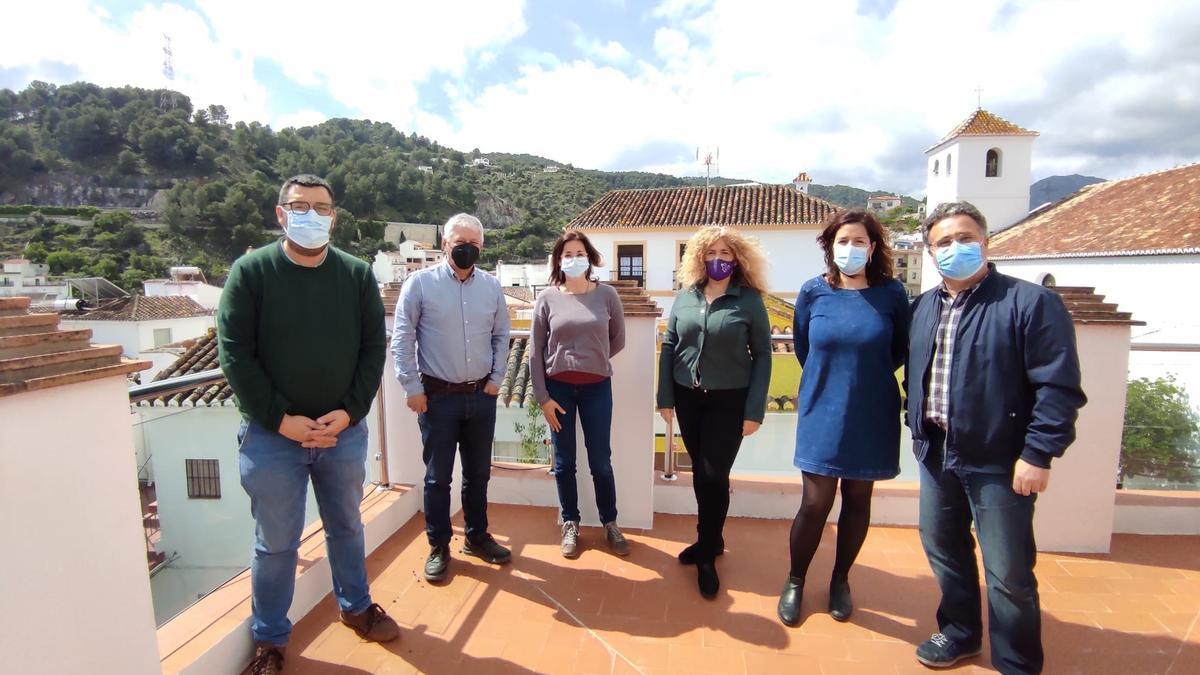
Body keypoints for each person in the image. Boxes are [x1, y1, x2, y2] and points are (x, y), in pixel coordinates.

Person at [218, 174, 399, 675]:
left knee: (346, 526)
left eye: (322, 208)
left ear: (334, 216)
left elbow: (372, 349)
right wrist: (282, 420)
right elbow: (235, 355)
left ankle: (356, 606)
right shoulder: (250, 273)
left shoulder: (357, 275)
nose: (312, 216)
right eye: (301, 206)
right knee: (276, 543)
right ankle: (270, 640)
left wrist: (351, 410)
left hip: (342, 432)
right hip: (272, 439)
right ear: (280, 213)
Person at [908, 202, 1086, 673]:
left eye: (965, 238)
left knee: (1008, 572)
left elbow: (1058, 386)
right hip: (936, 451)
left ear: (986, 242)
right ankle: (960, 633)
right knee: (943, 549)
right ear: (930, 252)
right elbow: (918, 376)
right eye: (943, 242)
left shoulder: (1029, 302)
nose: (955, 248)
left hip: (1000, 460)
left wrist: (1039, 453)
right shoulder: (923, 307)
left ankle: (1017, 663)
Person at [777, 209, 910, 627]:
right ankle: (795, 580)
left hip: (871, 410)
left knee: (858, 499)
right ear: (830, 247)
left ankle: (840, 579)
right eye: (842, 241)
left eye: (858, 242)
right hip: (822, 408)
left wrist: (862, 373)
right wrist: (830, 379)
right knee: (815, 502)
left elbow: (899, 350)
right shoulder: (813, 292)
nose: (849, 249)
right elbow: (804, 346)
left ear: (872, 248)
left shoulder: (892, 294)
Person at [391, 213, 512, 584]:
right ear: (445, 243)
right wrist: (412, 389)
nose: (466, 248)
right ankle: (439, 545)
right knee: (437, 478)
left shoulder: (491, 287)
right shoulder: (419, 285)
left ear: (482, 247)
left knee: (478, 475)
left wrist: (496, 380)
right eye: (460, 241)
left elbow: (502, 335)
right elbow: (402, 339)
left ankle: (476, 537)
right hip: (437, 399)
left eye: (474, 244)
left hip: (481, 398)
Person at [656, 225, 772, 599]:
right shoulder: (686, 297)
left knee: (713, 473)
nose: (718, 260)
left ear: (737, 258)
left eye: (725, 254)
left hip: (729, 400)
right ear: (699, 258)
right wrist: (665, 397)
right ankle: (713, 540)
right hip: (689, 399)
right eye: (711, 253)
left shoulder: (749, 300)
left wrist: (754, 409)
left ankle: (706, 552)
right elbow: (670, 345)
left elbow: (764, 356)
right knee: (701, 475)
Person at [529, 231, 628, 558]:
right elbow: (535, 352)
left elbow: (618, 340)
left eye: (579, 252)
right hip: (558, 390)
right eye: (567, 254)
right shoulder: (546, 299)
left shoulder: (607, 295)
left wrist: (592, 360)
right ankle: (570, 522)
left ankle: (610, 522)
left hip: (597, 387)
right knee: (564, 461)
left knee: (601, 460)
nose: (573, 258)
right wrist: (543, 397)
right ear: (559, 259)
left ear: (590, 257)